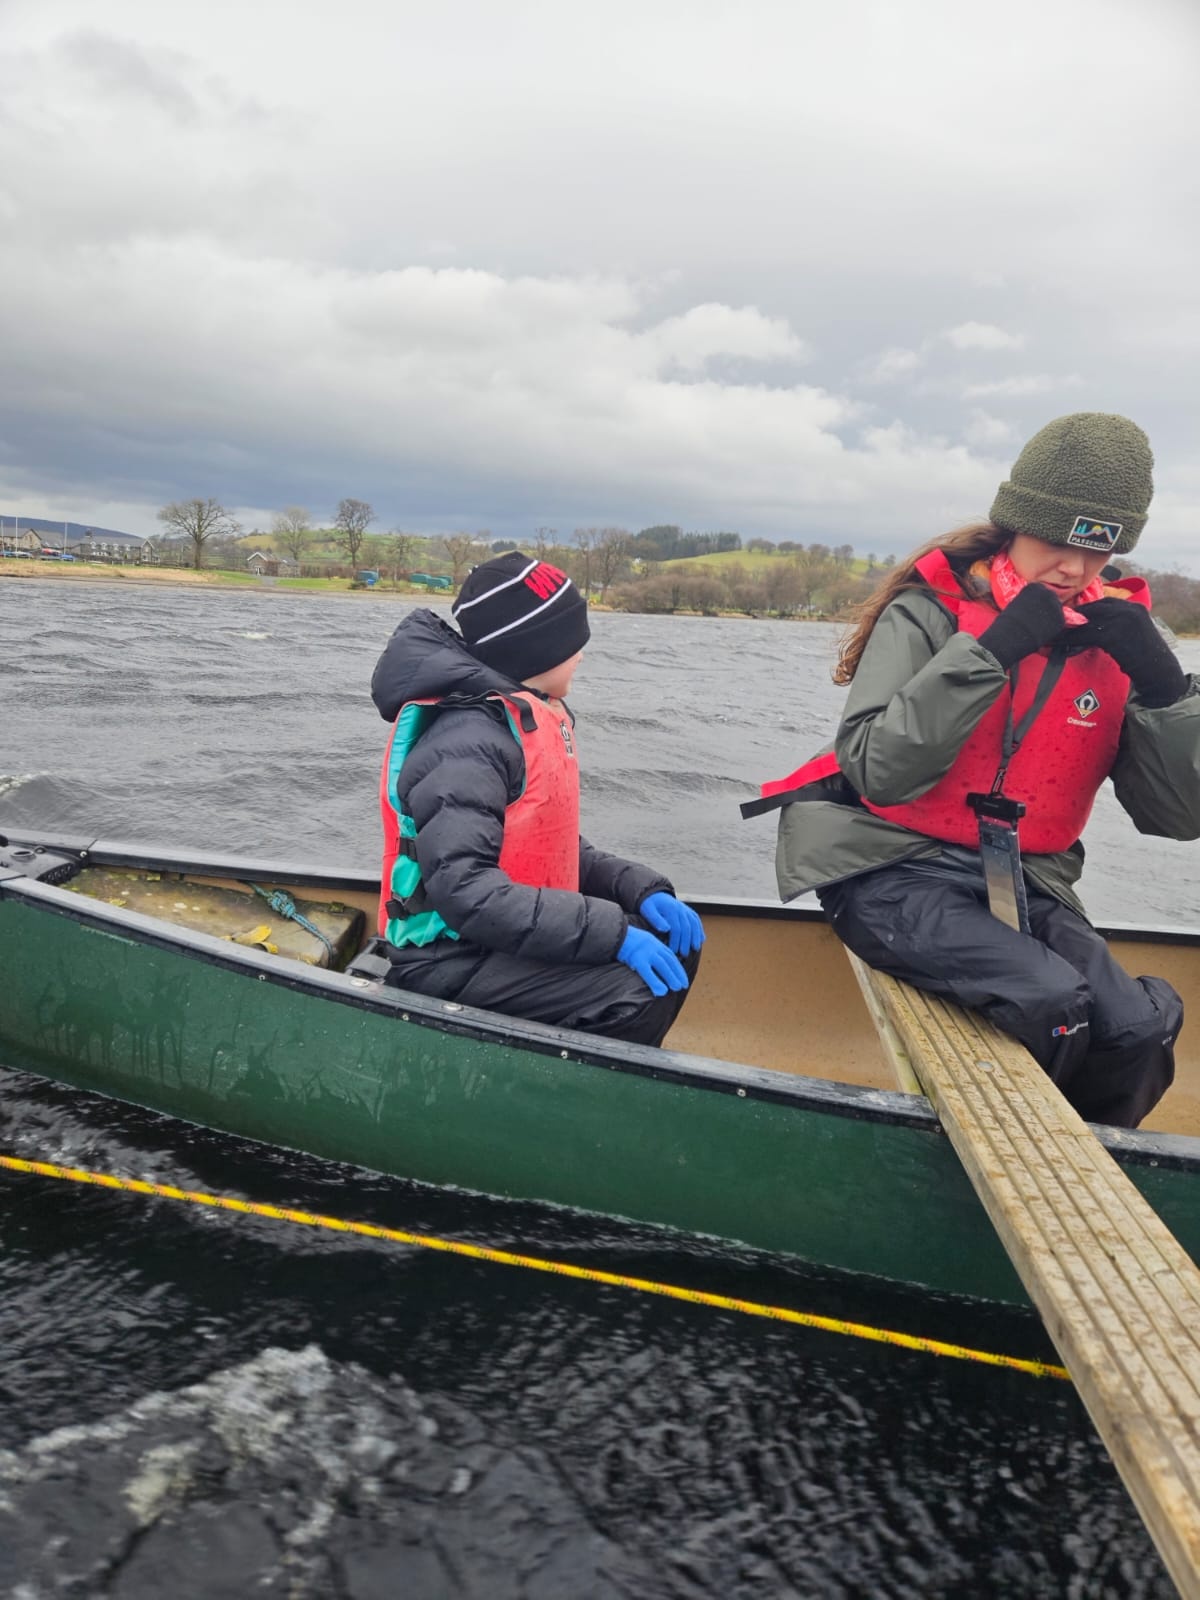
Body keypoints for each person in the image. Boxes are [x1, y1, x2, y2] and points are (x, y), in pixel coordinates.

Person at [747, 412, 1200, 1128]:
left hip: (1023, 882)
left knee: (1138, 1033)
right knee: (1055, 1004)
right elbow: (879, 771)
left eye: (1099, 550)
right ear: (1017, 525)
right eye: (1058, 542)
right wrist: (991, 653)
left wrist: (1167, 692)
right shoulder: (925, 614)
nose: (1075, 570)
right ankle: (1024, 1152)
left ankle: (1087, 1164)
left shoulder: (1119, 639)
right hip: (887, 868)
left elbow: (1176, 819)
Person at [369, 550, 703, 1044]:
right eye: (573, 643)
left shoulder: (513, 723)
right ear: (533, 651)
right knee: (637, 990)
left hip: (497, 939)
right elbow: (465, 891)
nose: (582, 654)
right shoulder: (466, 744)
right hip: (449, 960)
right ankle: (567, 1082)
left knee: (674, 944)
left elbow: (551, 848)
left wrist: (641, 889)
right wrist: (614, 936)